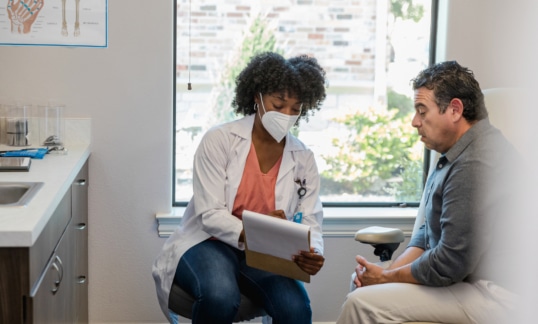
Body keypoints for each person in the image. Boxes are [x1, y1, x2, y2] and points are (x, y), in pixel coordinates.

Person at [336, 61, 520, 324]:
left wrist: (387, 276)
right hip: (468, 279)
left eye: (422, 111)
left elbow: (449, 262)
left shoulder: (476, 162)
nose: (414, 122)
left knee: (361, 304)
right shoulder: (454, 152)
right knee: (363, 285)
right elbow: (426, 233)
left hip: (496, 294)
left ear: (455, 110)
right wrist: (383, 272)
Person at [153, 52, 327, 324]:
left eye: (296, 109)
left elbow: (310, 219)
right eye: (278, 104)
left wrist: (313, 251)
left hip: (263, 252)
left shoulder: (302, 158)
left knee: (296, 308)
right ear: (257, 97)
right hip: (208, 242)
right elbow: (210, 214)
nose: (287, 116)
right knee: (220, 296)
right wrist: (258, 230)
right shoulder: (220, 140)